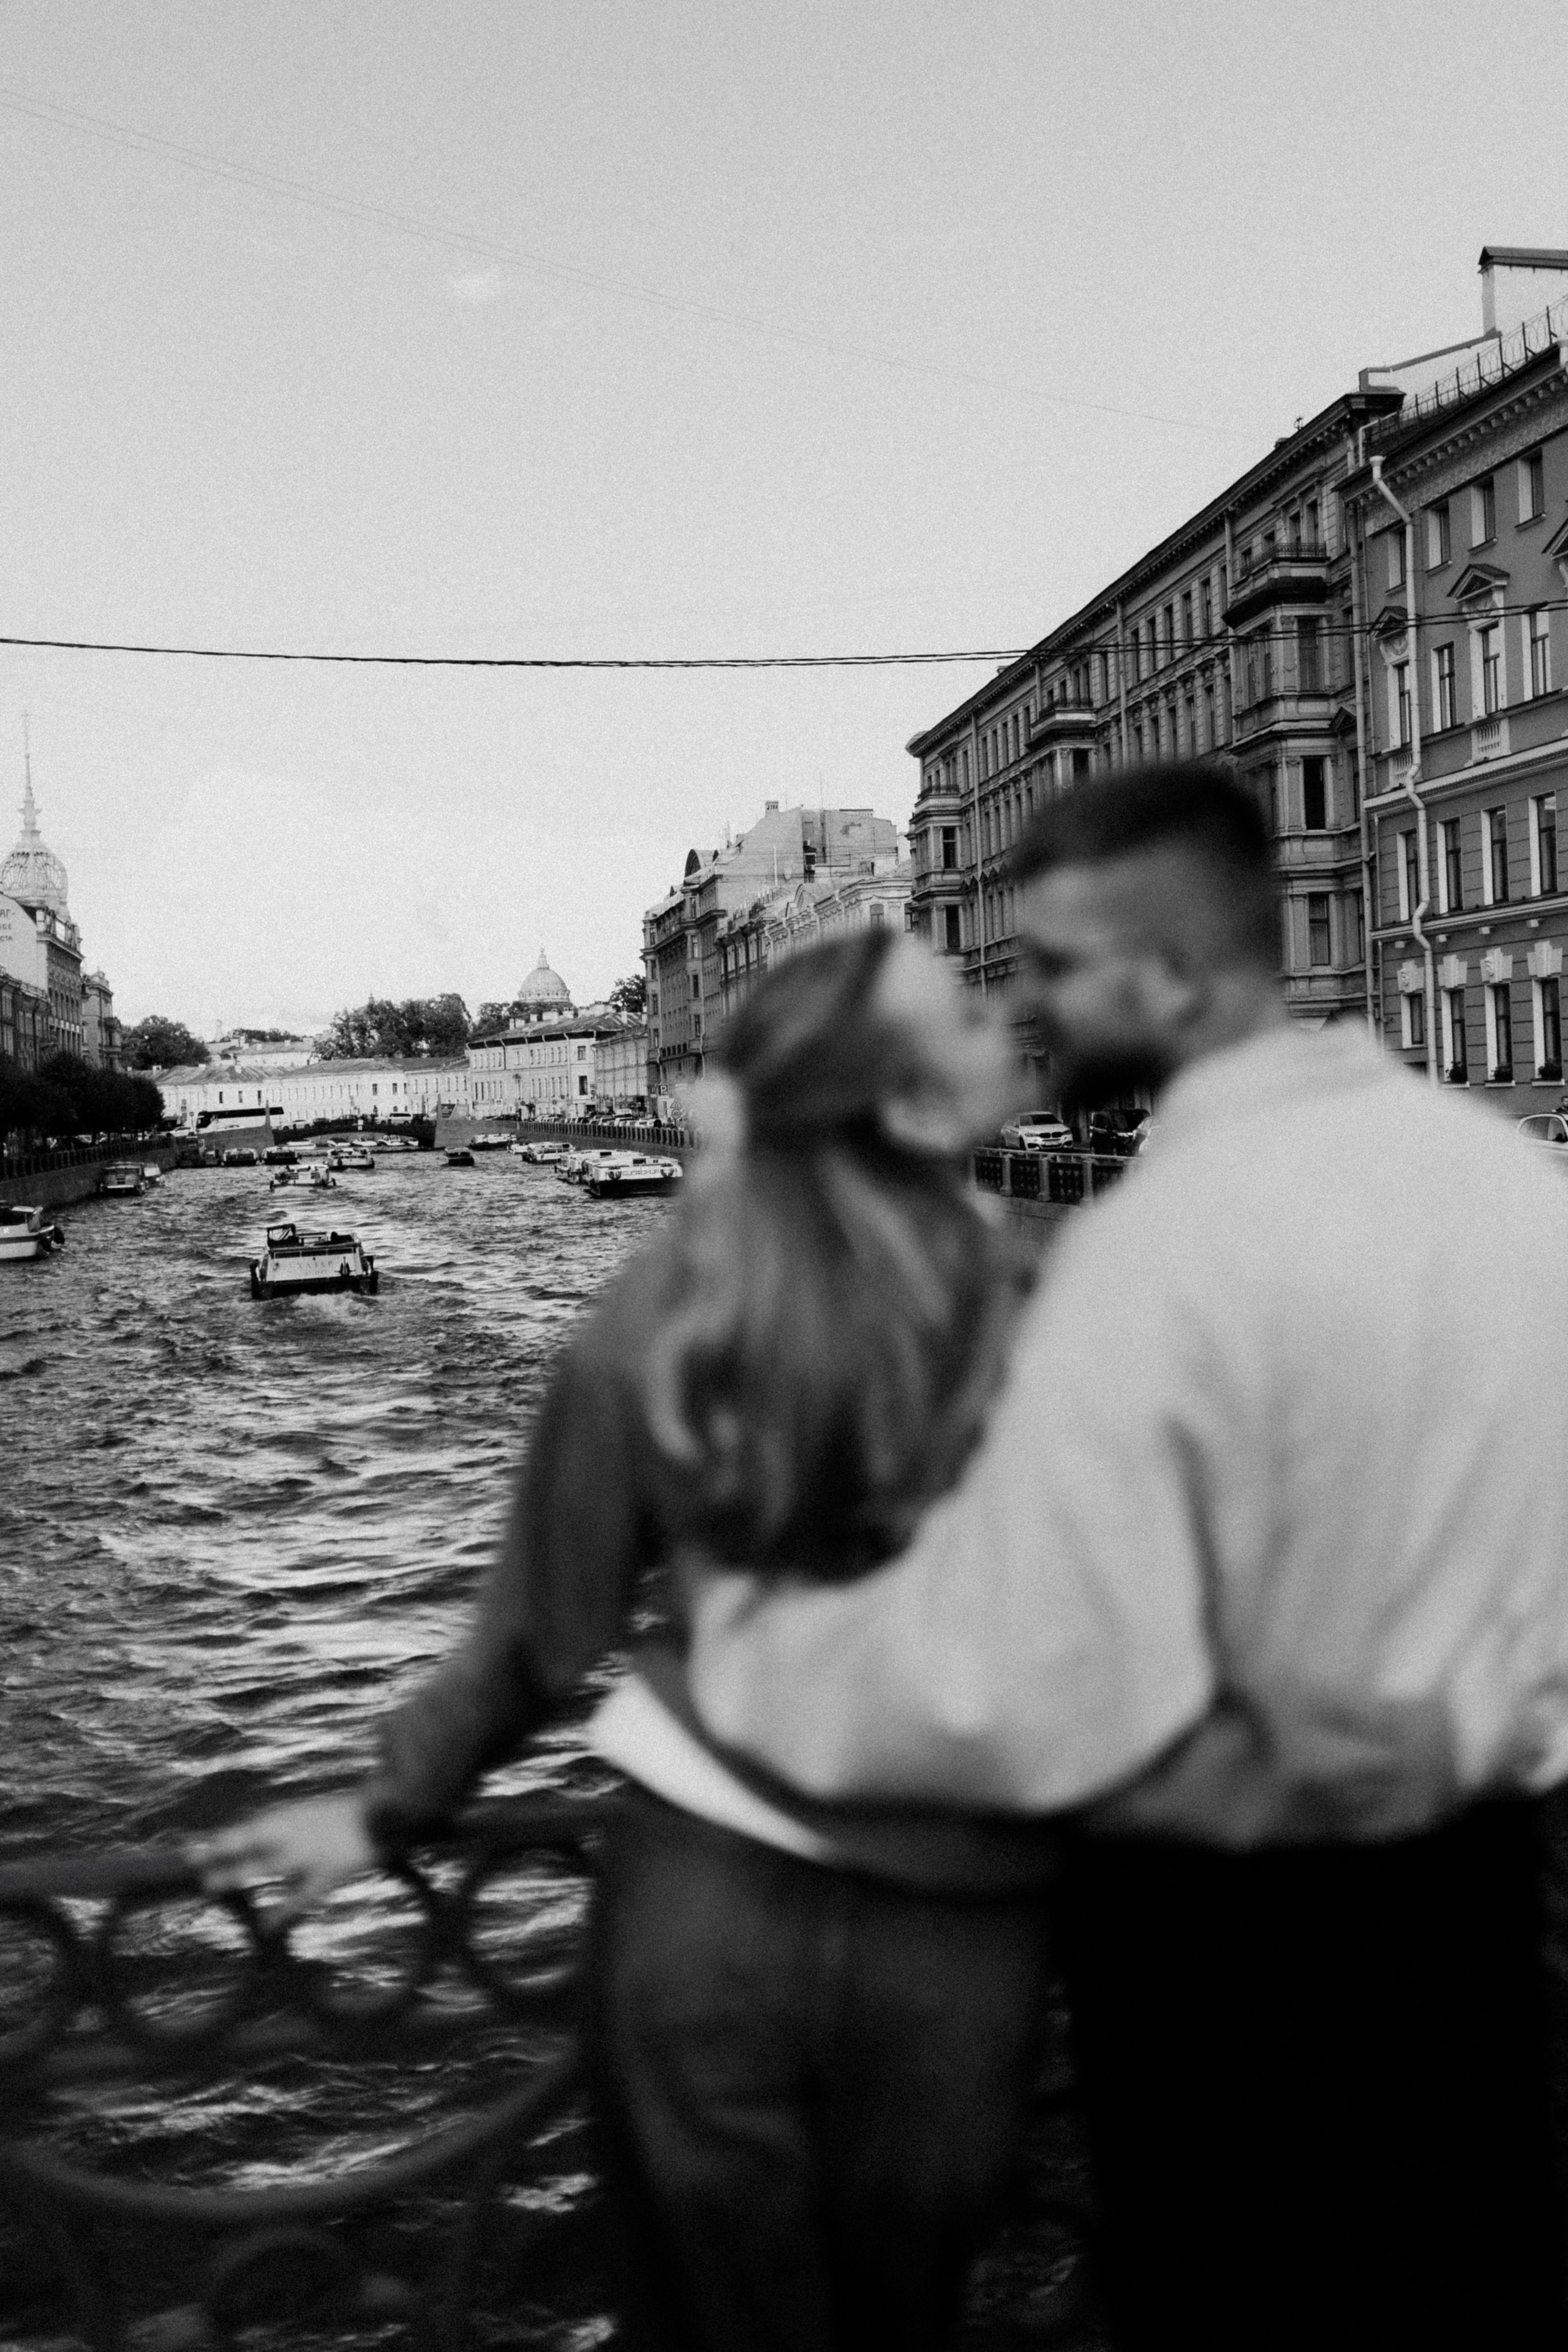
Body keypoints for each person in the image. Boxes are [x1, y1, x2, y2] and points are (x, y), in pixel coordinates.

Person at [684, 760, 1568, 2352]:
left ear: (1171, 972)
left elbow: (1023, 1678)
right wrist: (1473, 1726)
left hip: (1223, 1941)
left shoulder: (1150, 1249)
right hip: (1487, 1903)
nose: (1027, 1002)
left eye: (1056, 966)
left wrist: (763, 1668)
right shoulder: (1508, 1183)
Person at [198, 929, 1066, 2352]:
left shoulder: (665, 1307)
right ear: (906, 1104)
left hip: (703, 1908)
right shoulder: (1052, 1308)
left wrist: (384, 1807)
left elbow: (540, 1636)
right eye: (956, 1021)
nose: (994, 1020)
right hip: (950, 1925)